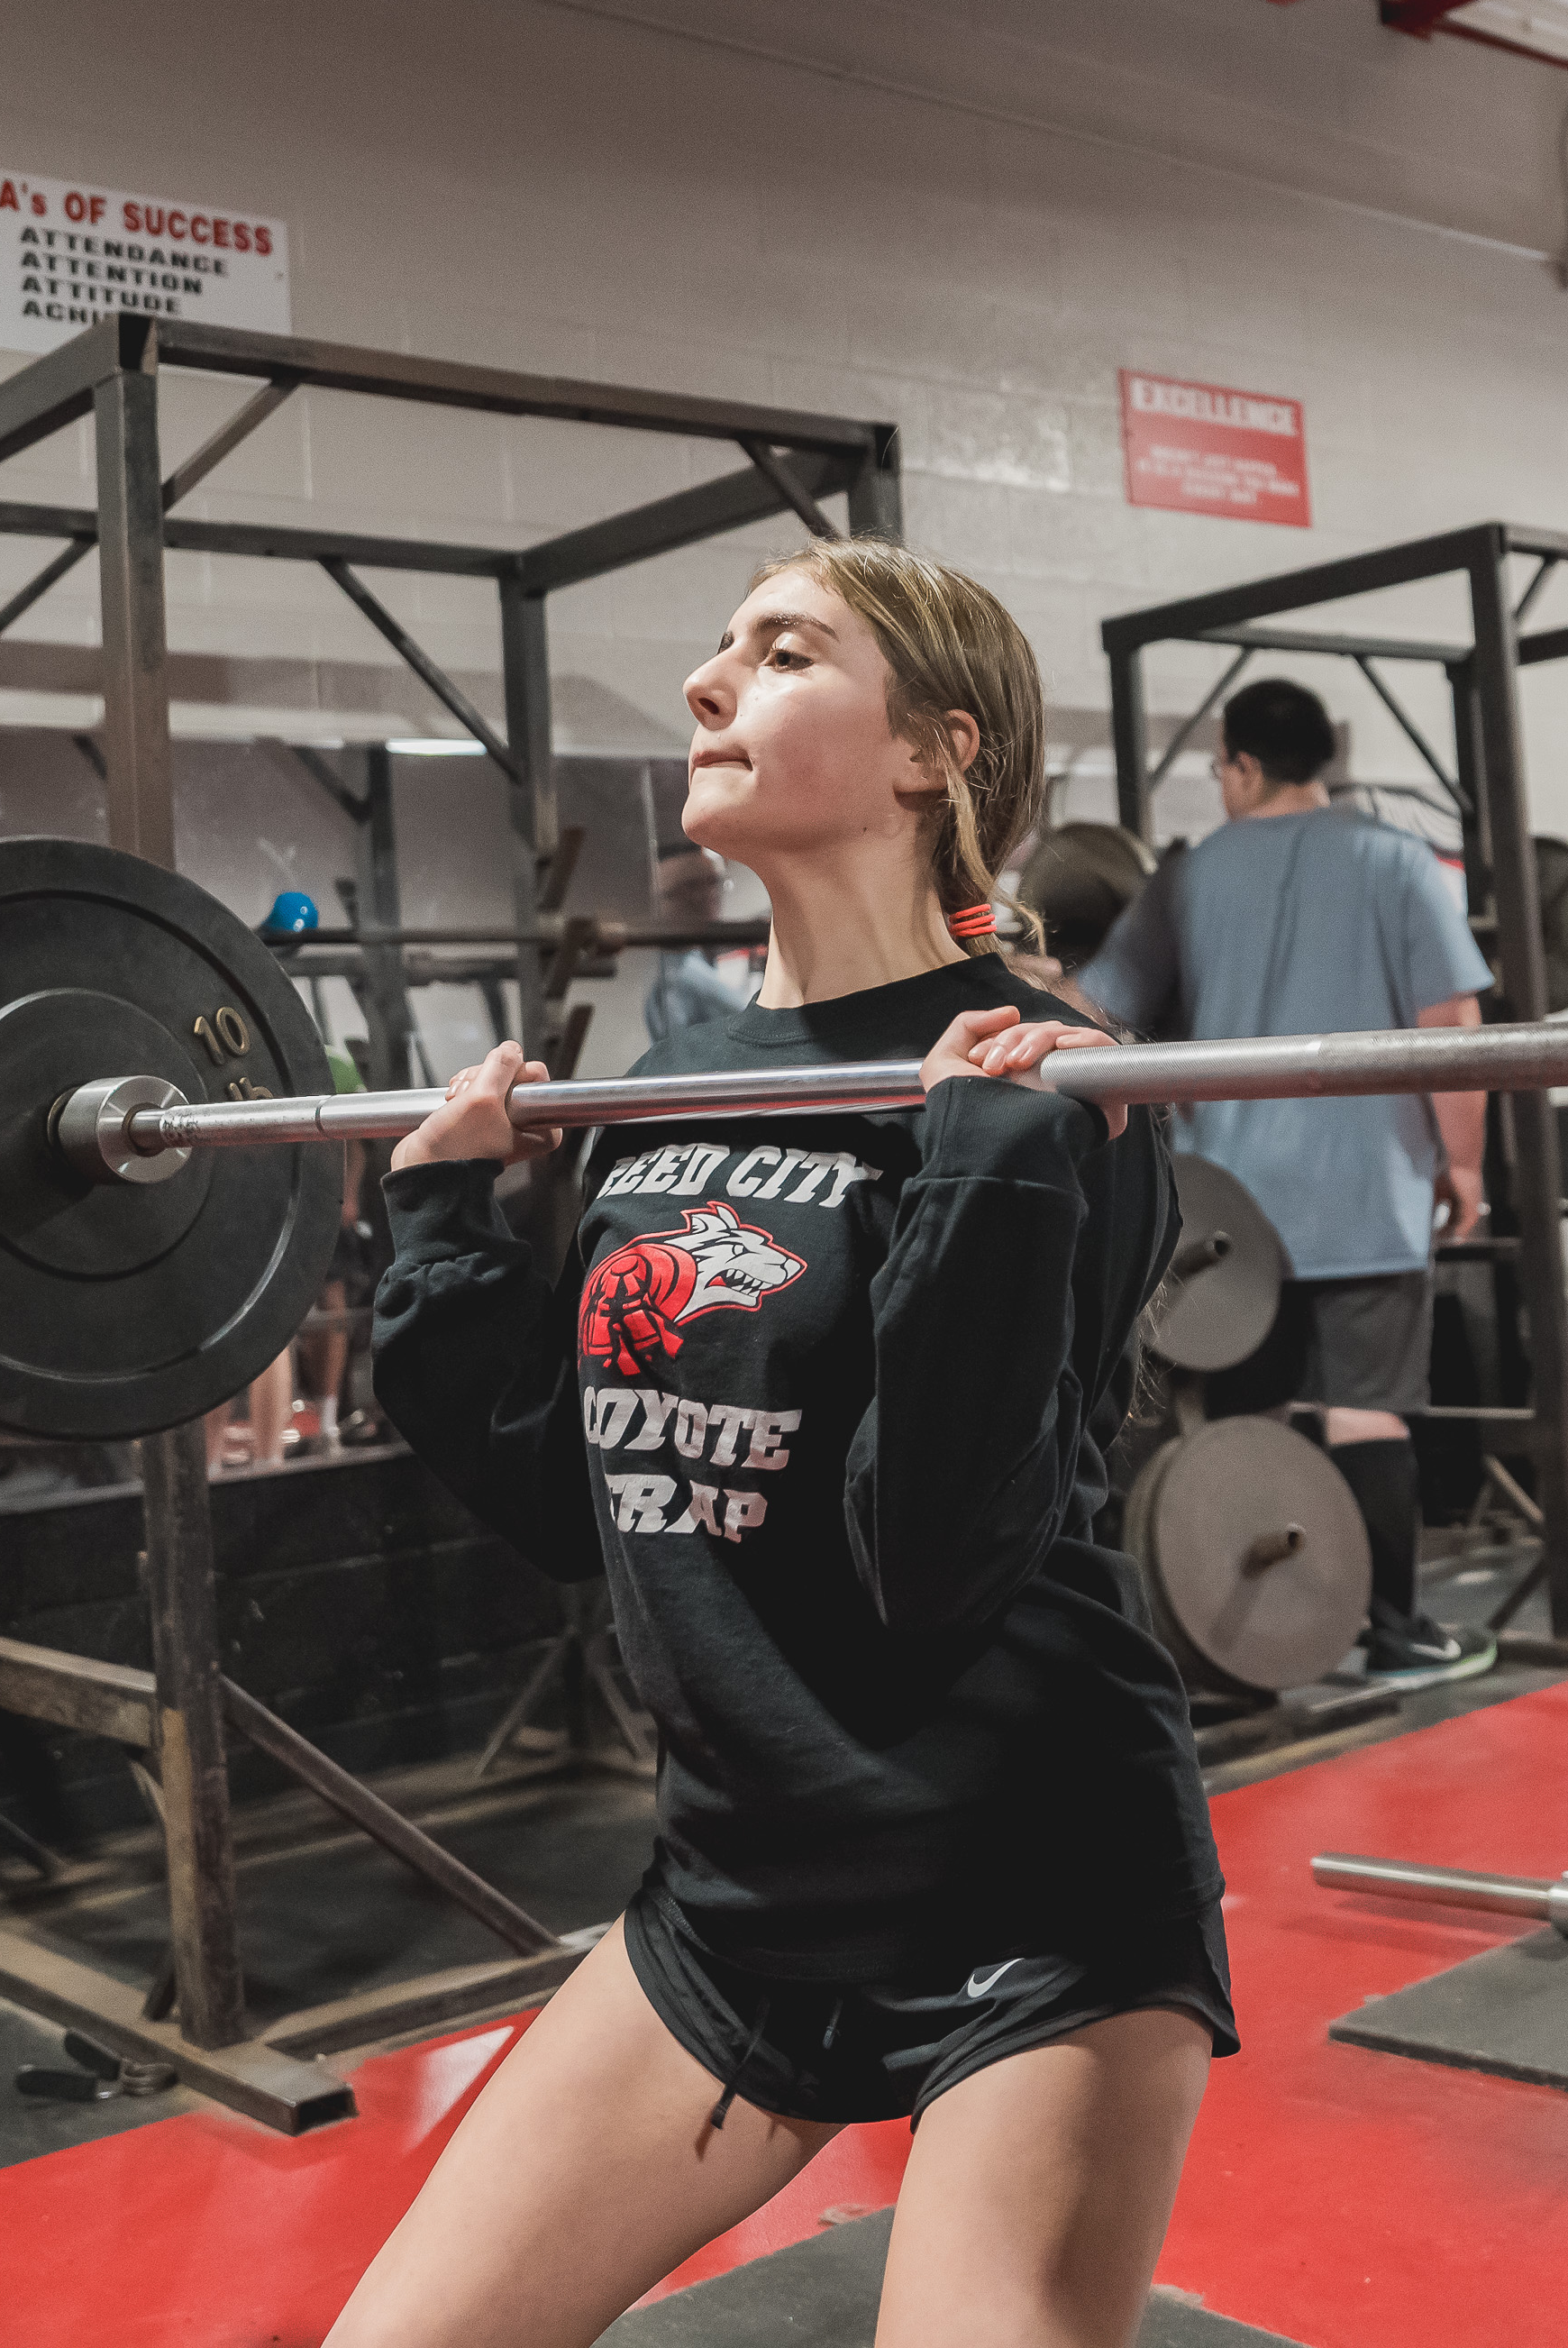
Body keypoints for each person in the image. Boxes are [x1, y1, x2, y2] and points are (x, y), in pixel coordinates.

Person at [335, 541, 1224, 2348]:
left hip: (1027, 1890)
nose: (705, 683)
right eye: (719, 647)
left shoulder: (1058, 1091)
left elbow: (937, 1559)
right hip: (736, 1896)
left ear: (932, 755)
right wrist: (434, 1234)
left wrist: (989, 1171)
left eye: (785, 649)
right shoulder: (663, 1093)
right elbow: (587, 1504)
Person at [1075, 680, 1499, 1686]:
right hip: (1368, 1195)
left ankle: (1252, 1646)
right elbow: (1451, 1030)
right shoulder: (1395, 862)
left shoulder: (1187, 879)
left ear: (1245, 766)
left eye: (1220, 765)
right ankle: (1392, 1634)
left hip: (1231, 1221)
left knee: (1245, 1422)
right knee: (1365, 1411)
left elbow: (1096, 1015)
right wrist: (1466, 1162)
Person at [639, 845, 756, 1051]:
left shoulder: (698, 965)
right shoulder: (679, 980)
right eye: (691, 888)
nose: (707, 896)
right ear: (664, 900)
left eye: (713, 883)